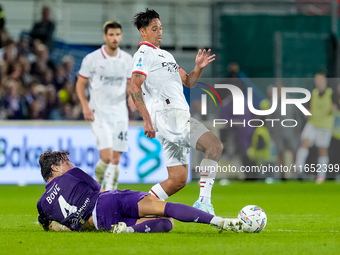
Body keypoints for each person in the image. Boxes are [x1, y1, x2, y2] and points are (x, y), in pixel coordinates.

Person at [130, 9, 222, 215]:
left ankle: (140, 209)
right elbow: (134, 86)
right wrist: (146, 120)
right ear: (143, 32)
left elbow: (188, 81)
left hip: (175, 116)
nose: (159, 32)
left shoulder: (166, 55)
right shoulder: (144, 53)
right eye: (154, 29)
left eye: (161, 28)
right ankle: (204, 203)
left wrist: (198, 68)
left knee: (178, 179)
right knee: (214, 145)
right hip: (169, 116)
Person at [36, 150, 243, 233]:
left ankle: (128, 230)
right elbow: (99, 190)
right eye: (66, 162)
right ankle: (217, 221)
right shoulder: (73, 175)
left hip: (100, 224)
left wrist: (64, 227)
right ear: (55, 168)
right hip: (107, 201)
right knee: (167, 213)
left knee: (165, 225)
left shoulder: (42, 204)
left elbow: (46, 224)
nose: (70, 164)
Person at [76, 21, 134, 191]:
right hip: (99, 113)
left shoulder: (127, 59)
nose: (114, 38)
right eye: (111, 35)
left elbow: (131, 84)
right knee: (107, 157)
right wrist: (85, 106)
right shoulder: (92, 59)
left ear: (121, 36)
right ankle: (97, 182)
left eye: (117, 35)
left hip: (120, 114)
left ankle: (110, 191)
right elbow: (80, 84)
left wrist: (131, 97)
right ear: (105, 37)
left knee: (116, 158)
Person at [295, 72, 337, 183]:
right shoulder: (312, 93)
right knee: (304, 142)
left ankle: (321, 177)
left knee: (322, 150)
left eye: (321, 80)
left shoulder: (331, 94)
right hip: (313, 123)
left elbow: (336, 107)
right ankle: (299, 170)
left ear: (325, 81)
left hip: (325, 126)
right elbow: (308, 109)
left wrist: (335, 108)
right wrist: (307, 112)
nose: (319, 82)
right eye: (317, 80)